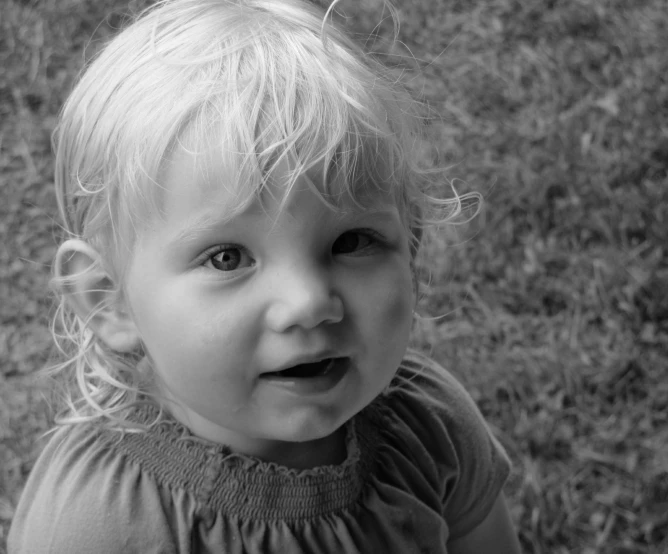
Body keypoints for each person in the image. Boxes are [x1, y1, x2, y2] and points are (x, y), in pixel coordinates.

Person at [8, 0, 520, 551]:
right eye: (227, 258)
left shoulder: (430, 426)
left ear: (410, 243)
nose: (308, 302)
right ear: (110, 299)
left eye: (351, 242)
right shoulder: (98, 526)